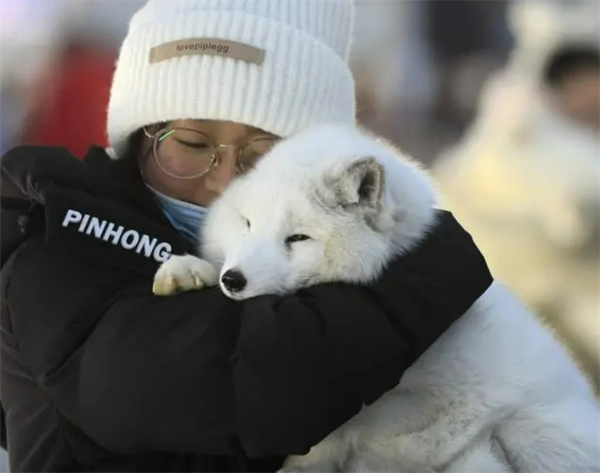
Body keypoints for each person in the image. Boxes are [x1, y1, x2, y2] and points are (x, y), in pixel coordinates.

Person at [0, 1, 492, 471]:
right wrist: (425, 271)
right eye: (191, 144)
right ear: (140, 136)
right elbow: (222, 383)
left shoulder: (314, 248)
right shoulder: (54, 241)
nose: (224, 181)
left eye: (264, 158)